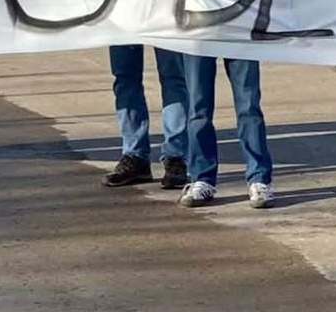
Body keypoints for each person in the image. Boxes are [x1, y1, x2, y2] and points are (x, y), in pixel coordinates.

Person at [176, 55, 274, 209]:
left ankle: (259, 179)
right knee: (198, 109)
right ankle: (202, 179)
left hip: (239, 35)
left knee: (249, 107)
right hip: (199, 36)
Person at [101, 45, 190, 189]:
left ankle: (176, 157)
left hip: (166, 22)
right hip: (124, 23)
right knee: (125, 77)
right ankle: (135, 157)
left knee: (174, 77)